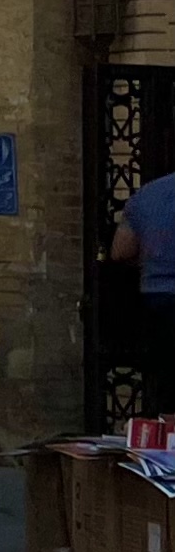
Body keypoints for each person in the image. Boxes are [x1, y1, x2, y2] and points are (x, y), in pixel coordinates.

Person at [109, 162, 175, 416]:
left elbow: (119, 252)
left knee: (166, 386)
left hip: (156, 301)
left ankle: (163, 446)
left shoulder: (147, 194)